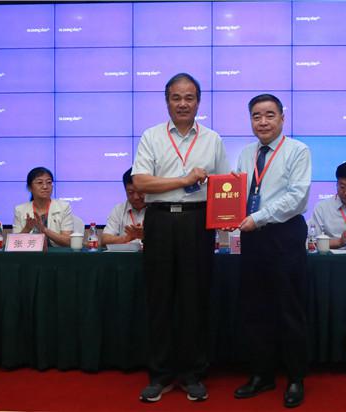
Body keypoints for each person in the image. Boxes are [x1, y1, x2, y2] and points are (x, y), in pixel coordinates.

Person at [132, 73, 230, 403]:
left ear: (198, 102)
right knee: (159, 299)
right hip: (160, 220)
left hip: (198, 222)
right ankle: (159, 374)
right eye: (176, 97)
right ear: (167, 101)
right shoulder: (152, 136)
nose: (183, 103)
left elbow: (223, 187)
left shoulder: (212, 139)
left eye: (189, 97)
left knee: (195, 299)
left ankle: (192, 374)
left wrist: (228, 218)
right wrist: (184, 180)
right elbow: (141, 182)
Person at [234, 94, 311, 408]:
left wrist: (259, 217)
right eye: (256, 116)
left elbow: (297, 197)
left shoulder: (297, 150)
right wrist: (229, 215)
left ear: (282, 118)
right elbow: (237, 193)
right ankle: (261, 374)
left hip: (284, 234)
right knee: (256, 308)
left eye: (269, 115)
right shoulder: (245, 153)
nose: (262, 122)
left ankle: (295, 378)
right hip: (252, 237)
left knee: (288, 308)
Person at [13, 167, 74, 247]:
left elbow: (68, 241)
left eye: (49, 182)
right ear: (29, 187)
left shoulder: (63, 207)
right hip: (30, 253)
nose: (45, 186)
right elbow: (14, 243)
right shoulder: (20, 210)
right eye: (39, 182)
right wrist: (27, 229)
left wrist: (44, 229)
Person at [101, 168, 146, 246]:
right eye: (130, 192)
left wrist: (147, 235)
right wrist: (126, 238)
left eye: (140, 192)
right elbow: (104, 240)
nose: (136, 197)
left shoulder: (159, 209)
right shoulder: (118, 209)